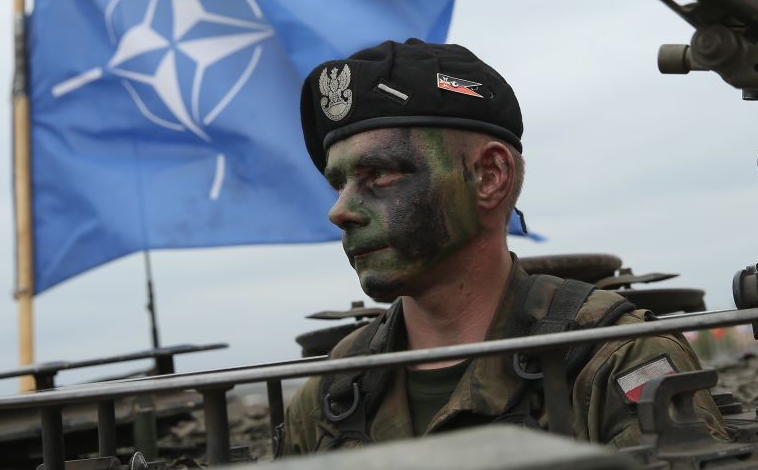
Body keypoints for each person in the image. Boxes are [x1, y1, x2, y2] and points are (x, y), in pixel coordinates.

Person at [278, 39, 725, 455]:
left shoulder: (612, 357)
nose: (340, 210)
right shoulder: (334, 389)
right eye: (339, 183)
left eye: (379, 174)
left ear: (489, 176)